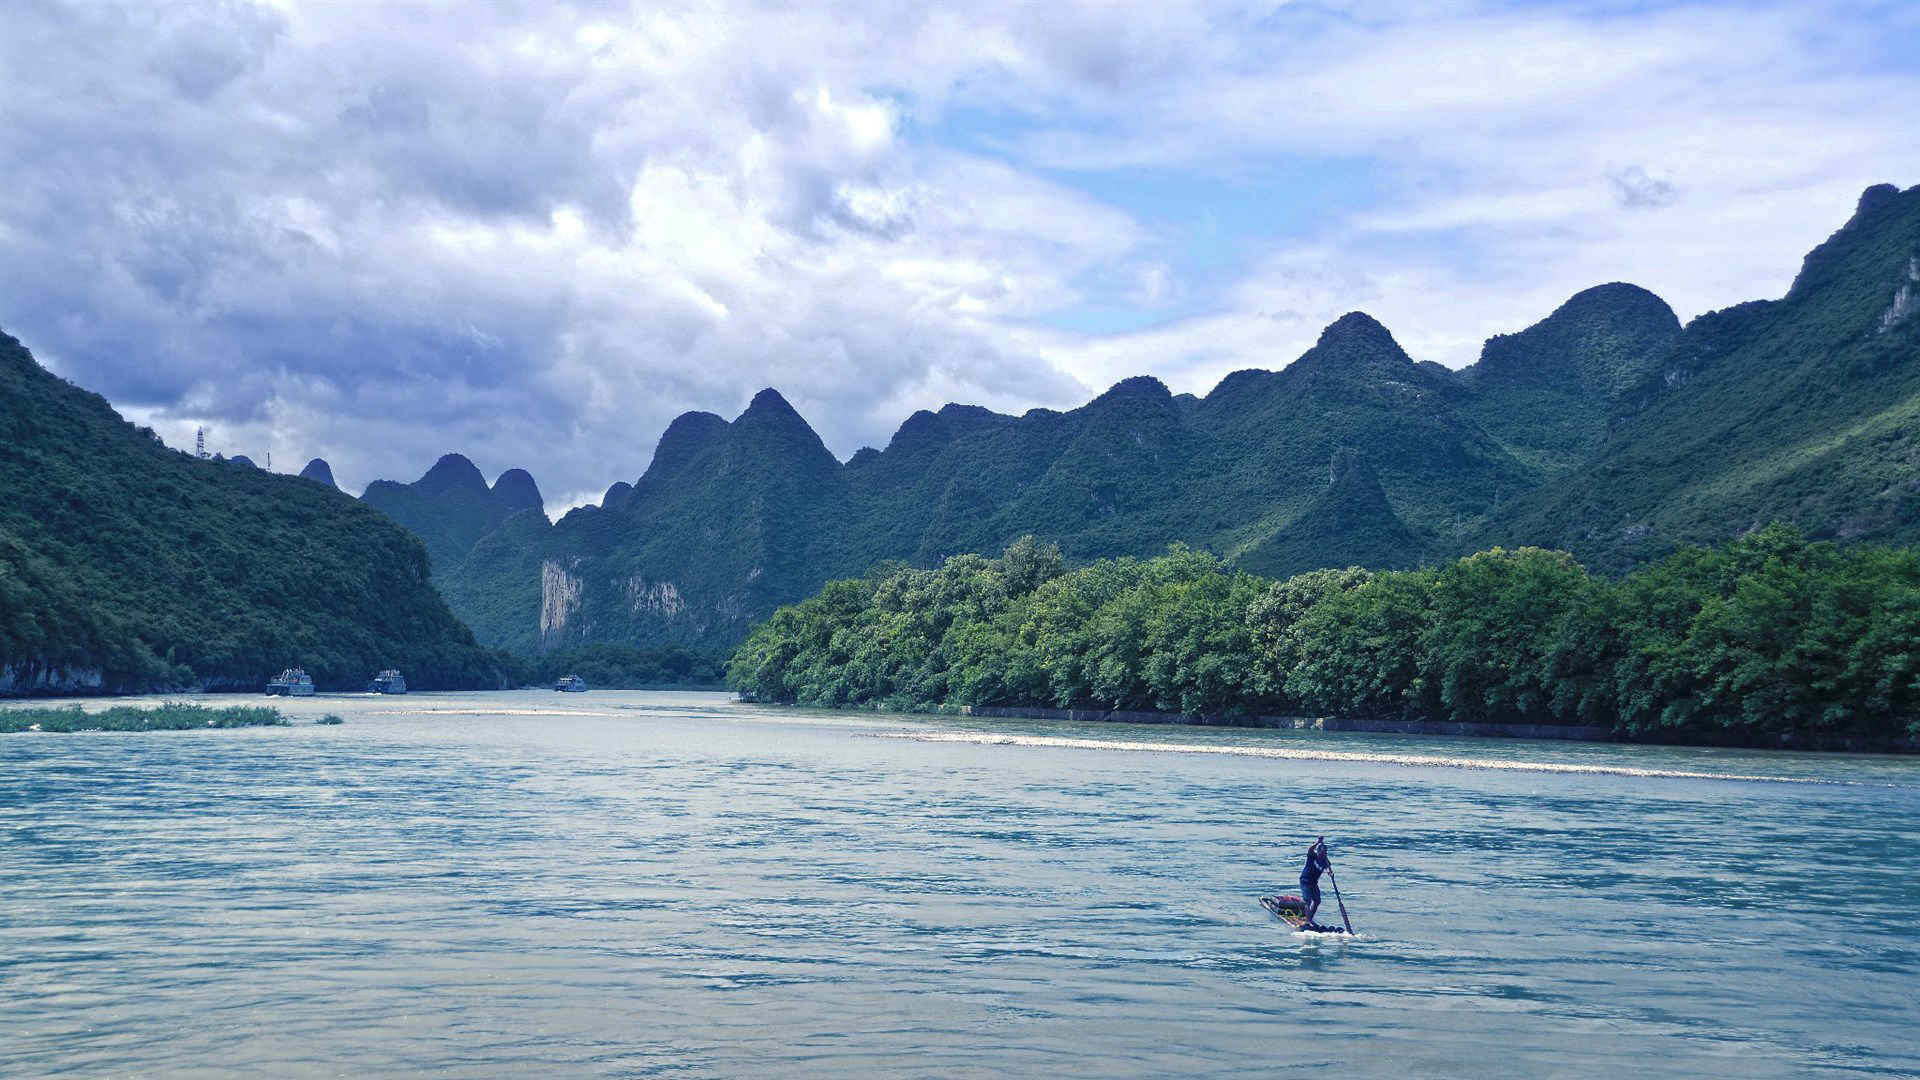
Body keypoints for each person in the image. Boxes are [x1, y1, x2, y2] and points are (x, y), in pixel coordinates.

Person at [1299, 837, 1331, 927]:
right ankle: (1308, 921)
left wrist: (1329, 872)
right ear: (1318, 851)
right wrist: (1317, 843)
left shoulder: (1325, 861)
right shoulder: (1312, 856)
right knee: (1307, 901)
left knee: (1317, 901)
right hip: (1305, 881)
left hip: (1313, 883)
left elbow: (1328, 868)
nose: (1324, 854)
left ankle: (1310, 919)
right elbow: (1310, 849)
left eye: (1325, 853)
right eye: (1322, 852)